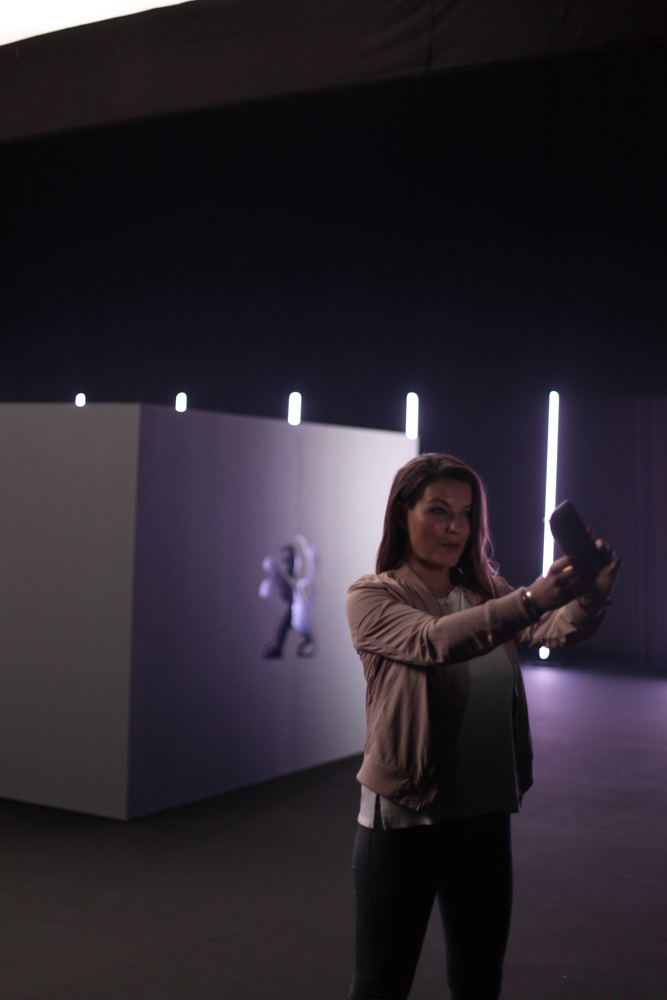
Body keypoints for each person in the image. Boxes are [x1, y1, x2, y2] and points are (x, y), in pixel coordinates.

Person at [344, 453, 621, 1000]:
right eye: (439, 511)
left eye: (466, 514)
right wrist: (530, 599)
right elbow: (434, 640)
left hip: (485, 817)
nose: (456, 527)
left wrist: (592, 592)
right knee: (381, 986)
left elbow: (553, 630)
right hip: (406, 822)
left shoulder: (487, 592)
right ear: (402, 515)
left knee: (479, 984)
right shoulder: (372, 596)